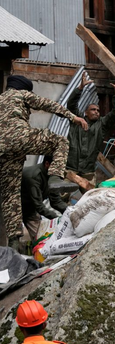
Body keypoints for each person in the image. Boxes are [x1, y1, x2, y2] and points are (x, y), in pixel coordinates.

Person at [0, 75, 87, 248]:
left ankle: (14, 242)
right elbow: (46, 103)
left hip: (3, 151)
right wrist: (71, 116)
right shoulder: (20, 94)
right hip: (19, 138)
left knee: (10, 195)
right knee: (60, 141)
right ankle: (54, 178)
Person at [66, 72, 115, 180]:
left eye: (98, 110)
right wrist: (80, 88)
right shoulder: (77, 120)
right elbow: (71, 104)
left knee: (91, 195)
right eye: (93, 110)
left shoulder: (101, 124)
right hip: (71, 168)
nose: (96, 112)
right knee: (63, 194)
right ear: (86, 112)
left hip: (88, 171)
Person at [21, 156, 67, 243]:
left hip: (30, 210)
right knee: (12, 238)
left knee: (41, 239)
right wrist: (57, 219)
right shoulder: (34, 176)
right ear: (47, 164)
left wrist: (69, 212)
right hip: (13, 211)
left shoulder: (53, 176)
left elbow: (55, 200)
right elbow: (38, 205)